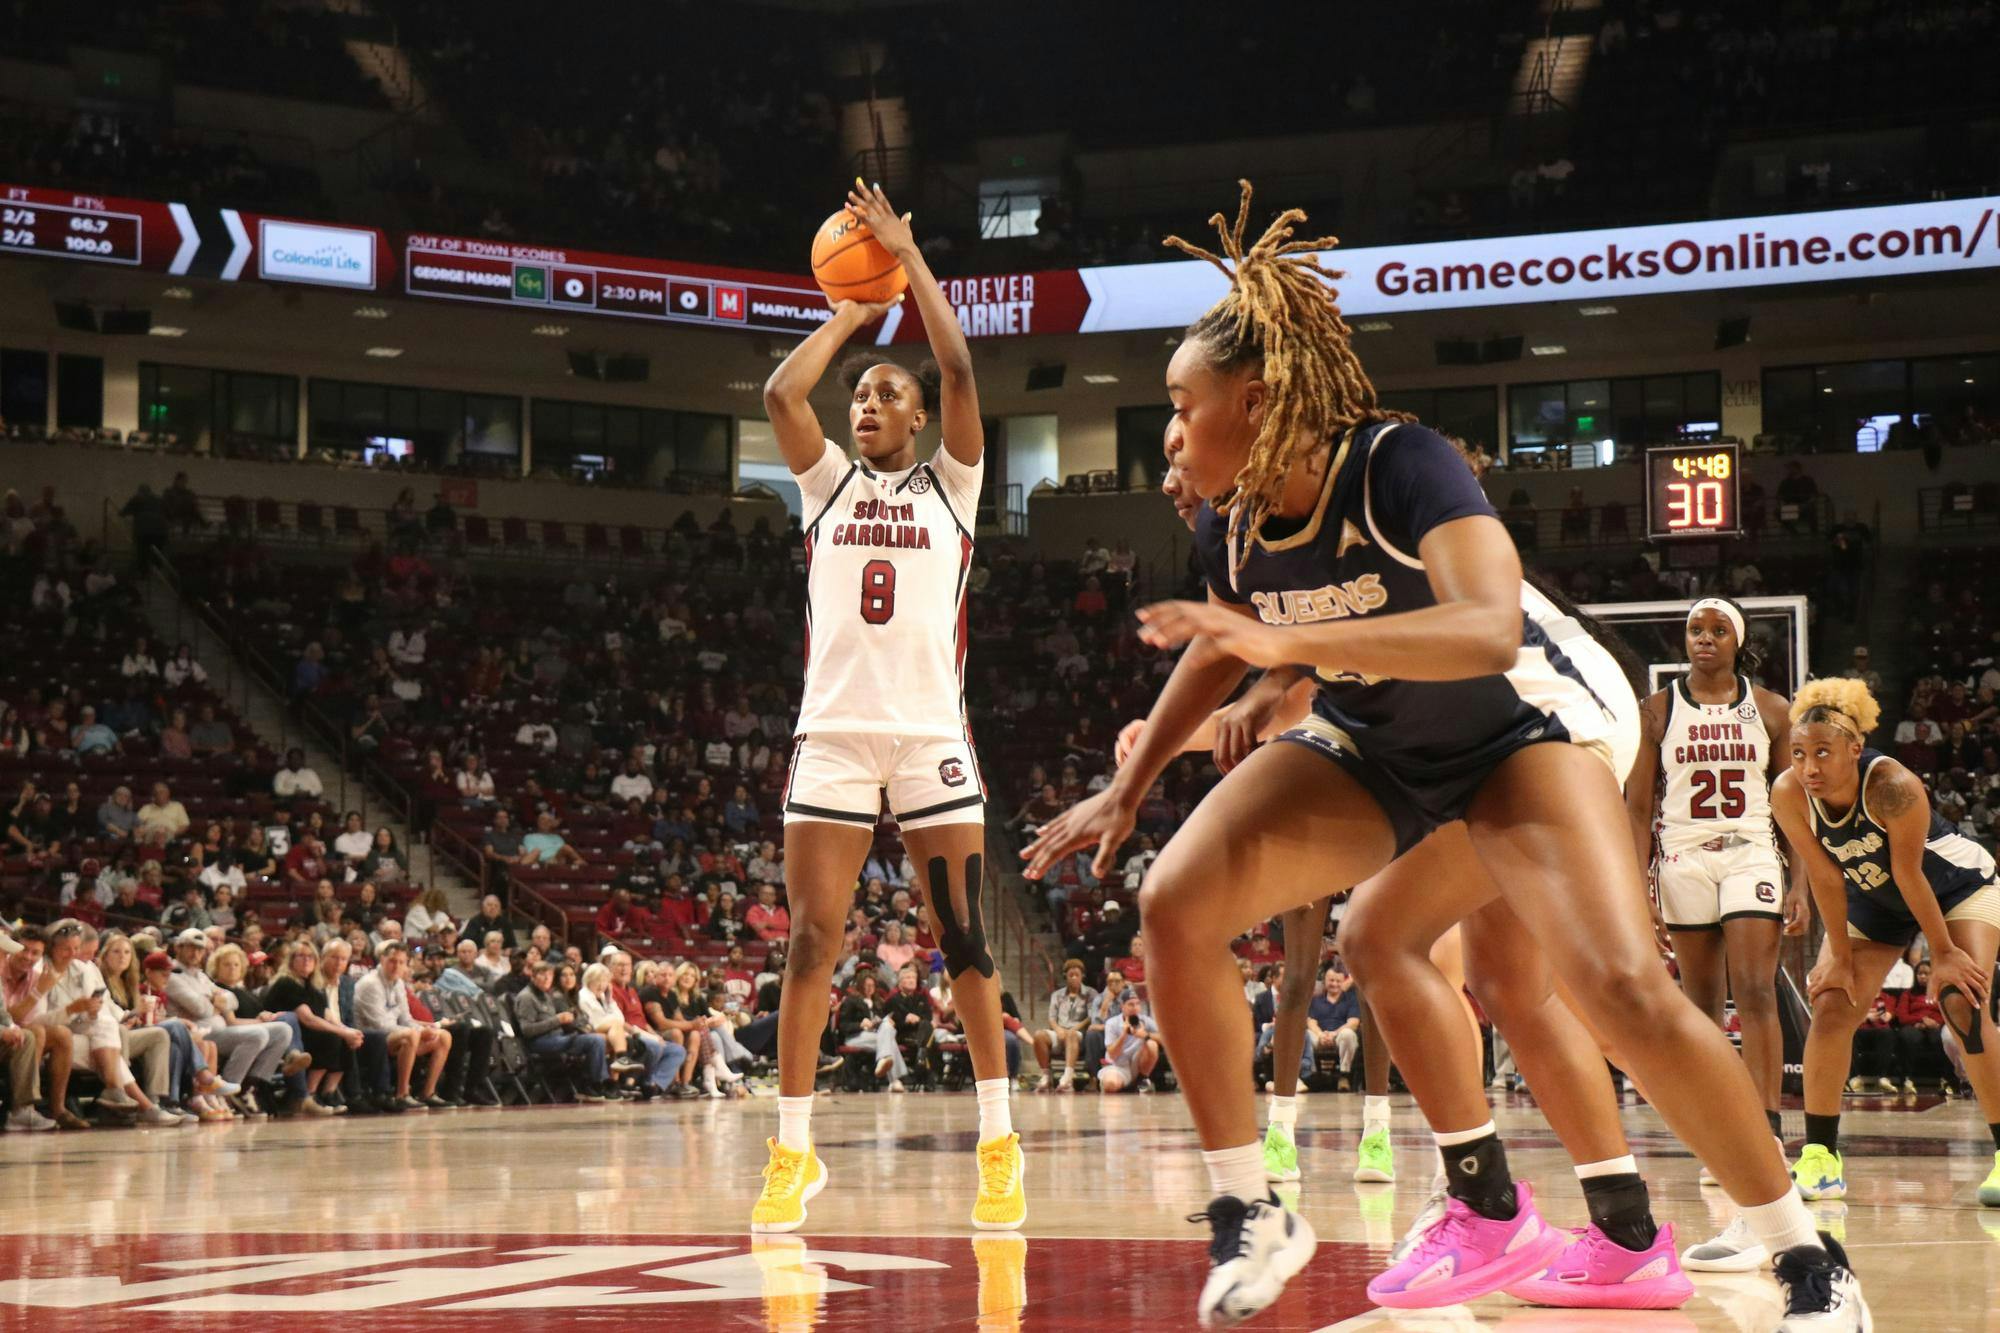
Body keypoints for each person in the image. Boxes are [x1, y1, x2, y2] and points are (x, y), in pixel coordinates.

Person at [1021, 186, 1855, 1329]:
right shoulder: (1227, 522)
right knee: (1179, 900)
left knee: (1610, 987)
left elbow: (1482, 628)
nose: (1163, 432)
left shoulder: (1400, 463)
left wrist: (1287, 653)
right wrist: (1131, 782)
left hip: (1524, 729)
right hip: (1377, 739)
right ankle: (1252, 1206)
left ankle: (1802, 1257)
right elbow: (1220, 654)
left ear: (1255, 401)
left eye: (1177, 405)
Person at [753, 180, 1020, 1234]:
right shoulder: (823, 484)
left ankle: (997, 1143)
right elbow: (782, 396)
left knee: (962, 940)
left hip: (928, 739)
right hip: (830, 738)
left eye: (881, 395)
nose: (864, 405)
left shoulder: (952, 485)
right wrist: (848, 317)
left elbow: (956, 364)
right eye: (858, 395)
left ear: (917, 418)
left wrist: (905, 264)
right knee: (811, 941)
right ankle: (792, 1153)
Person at [1776, 680, 2000, 1211]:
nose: (1809, 767)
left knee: (1962, 1004)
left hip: (1955, 888)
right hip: (1875, 900)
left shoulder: (1892, 785)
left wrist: (1943, 953)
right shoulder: (1788, 792)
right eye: (1800, 753)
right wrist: (1840, 961)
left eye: (1823, 753)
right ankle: (1820, 1158)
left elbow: (1911, 873)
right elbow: (1828, 880)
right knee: (1832, 1004)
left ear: (1855, 749)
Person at [1625, 597, 1805, 1220]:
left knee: (1754, 990)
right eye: (1695, 630)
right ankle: (1719, 1137)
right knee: (1700, 1006)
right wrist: (1633, 886)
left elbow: (1790, 805)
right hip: (1682, 856)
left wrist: (1801, 881)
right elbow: (1637, 804)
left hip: (1751, 852)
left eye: (1717, 630)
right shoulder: (1657, 709)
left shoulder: (1773, 709)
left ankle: (1768, 1130)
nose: (1704, 639)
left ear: (1738, 640)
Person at [264, 940, 362, 1115]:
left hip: (304, 1035)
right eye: (300, 956)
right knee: (331, 1037)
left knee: (344, 1037)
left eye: (310, 957)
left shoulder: (313, 985)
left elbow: (327, 1014)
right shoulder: (286, 982)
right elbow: (307, 1019)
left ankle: (328, 1092)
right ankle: (309, 1094)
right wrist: (341, 1032)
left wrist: (348, 1031)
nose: (306, 960)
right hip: (283, 1036)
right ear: (291, 960)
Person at [353, 943, 452, 1111]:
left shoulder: (398, 983)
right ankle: (402, 1094)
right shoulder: (370, 983)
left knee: (443, 1036)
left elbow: (406, 1018)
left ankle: (428, 1093)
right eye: (392, 961)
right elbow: (379, 1024)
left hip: (393, 1033)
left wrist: (426, 1030)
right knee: (410, 1035)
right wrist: (419, 1032)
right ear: (382, 959)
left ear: (406, 964)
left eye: (401, 962)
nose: (396, 966)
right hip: (369, 1037)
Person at [1034, 958, 1097, 1091]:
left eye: (1077, 975)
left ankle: (1067, 1078)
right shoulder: (1057, 995)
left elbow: (1091, 1017)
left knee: (1072, 1035)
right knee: (1039, 1035)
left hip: (1080, 1034)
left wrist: (1073, 1029)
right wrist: (1058, 1030)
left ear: (1082, 976)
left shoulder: (1090, 993)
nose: (1074, 978)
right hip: (1060, 1032)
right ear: (1065, 976)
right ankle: (1045, 1076)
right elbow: (1052, 1018)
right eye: (1070, 975)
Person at [1098, 988, 1160, 1093]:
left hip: (1138, 1065)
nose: (1135, 1008)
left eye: (1137, 1004)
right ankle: (1109, 1081)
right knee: (1111, 1084)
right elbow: (1112, 1054)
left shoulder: (1145, 1021)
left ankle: (1142, 1080)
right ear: (1122, 1006)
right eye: (1131, 1004)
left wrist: (1146, 1035)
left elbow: (1165, 1039)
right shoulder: (1112, 1023)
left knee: (1152, 1044)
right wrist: (1124, 1035)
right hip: (1118, 1065)